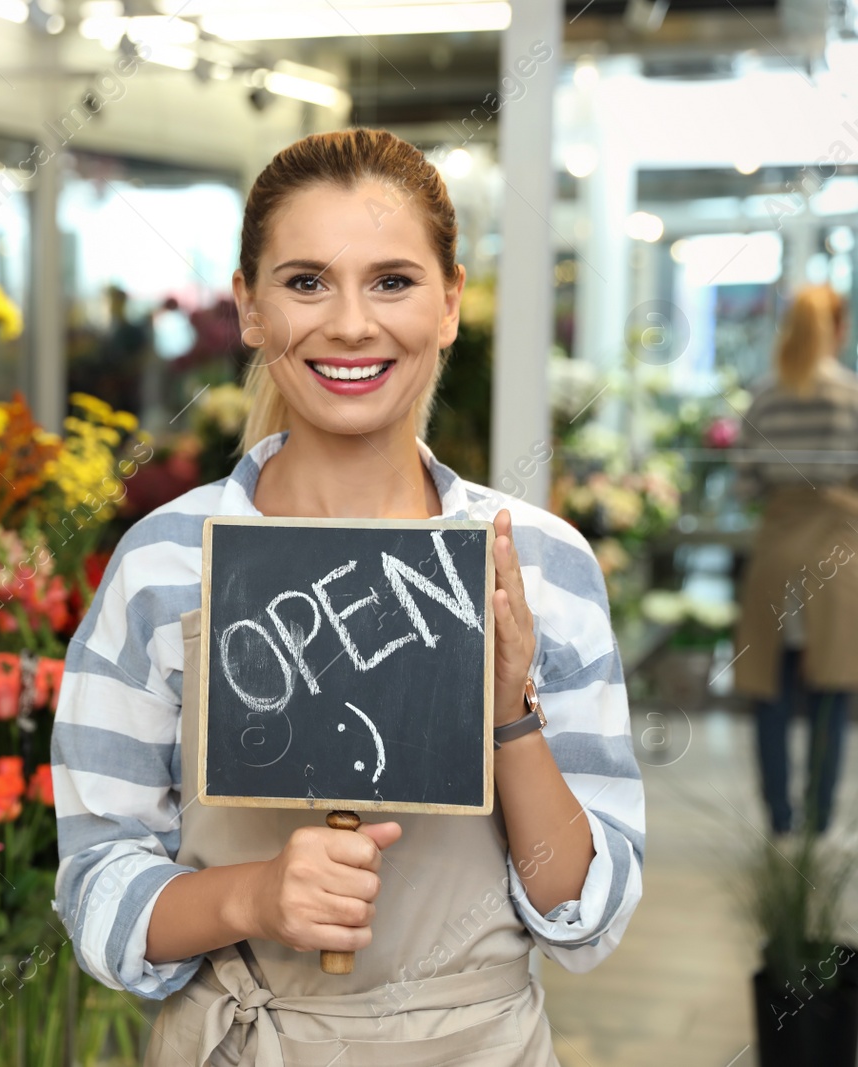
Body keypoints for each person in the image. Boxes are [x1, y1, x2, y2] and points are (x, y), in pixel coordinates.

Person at [51, 130, 645, 1066]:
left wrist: (509, 717)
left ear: (450, 303)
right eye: (306, 282)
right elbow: (95, 883)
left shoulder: (539, 563)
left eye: (394, 281)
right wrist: (253, 896)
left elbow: (583, 913)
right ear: (248, 307)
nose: (352, 325)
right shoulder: (163, 561)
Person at [732, 283, 858, 836]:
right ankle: (819, 818)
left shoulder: (764, 396)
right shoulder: (851, 396)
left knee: (770, 686)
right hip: (837, 555)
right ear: (839, 328)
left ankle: (779, 818)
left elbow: (744, 483)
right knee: (834, 686)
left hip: (777, 552)